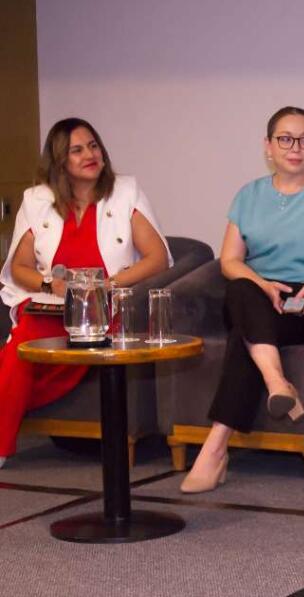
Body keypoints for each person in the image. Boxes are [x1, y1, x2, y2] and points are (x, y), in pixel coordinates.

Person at [180, 106, 304, 493]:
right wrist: (262, 283)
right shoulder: (249, 195)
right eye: (286, 139)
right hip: (255, 291)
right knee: (241, 290)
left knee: (245, 336)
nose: (296, 148)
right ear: (268, 146)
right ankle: (277, 382)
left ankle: (215, 448)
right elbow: (230, 261)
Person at [0, 118, 172, 468]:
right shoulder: (37, 200)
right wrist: (51, 286)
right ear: (60, 161)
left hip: (104, 307)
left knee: (76, 344)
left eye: (93, 146)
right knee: (21, 349)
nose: (89, 154)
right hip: (53, 306)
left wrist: (108, 286)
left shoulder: (125, 192)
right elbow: (19, 267)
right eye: (77, 150)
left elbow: (157, 258)